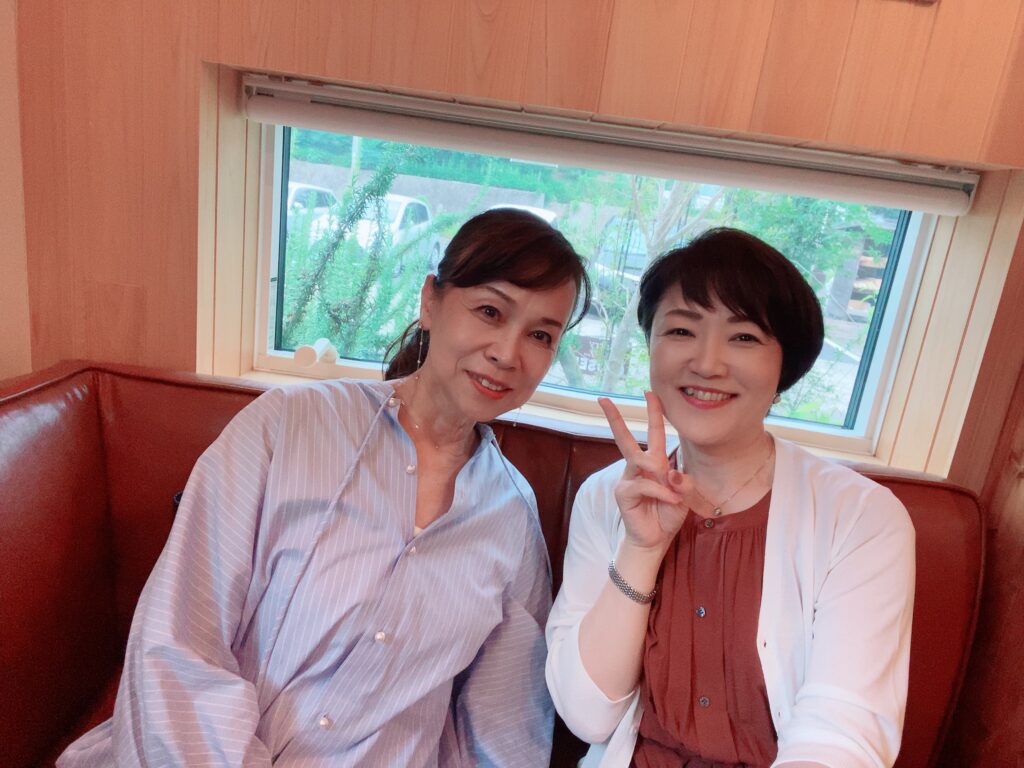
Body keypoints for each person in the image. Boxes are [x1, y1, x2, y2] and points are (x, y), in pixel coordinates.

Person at [58, 208, 591, 767]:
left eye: (540, 335)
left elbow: (503, 733)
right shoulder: (287, 426)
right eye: (489, 311)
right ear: (430, 301)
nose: (507, 353)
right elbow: (179, 641)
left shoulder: (512, 519)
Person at [546, 228, 915, 768]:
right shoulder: (607, 498)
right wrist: (640, 550)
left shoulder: (861, 518)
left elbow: (842, 737)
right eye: (681, 330)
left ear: (785, 365)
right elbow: (588, 717)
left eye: (743, 336)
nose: (707, 363)